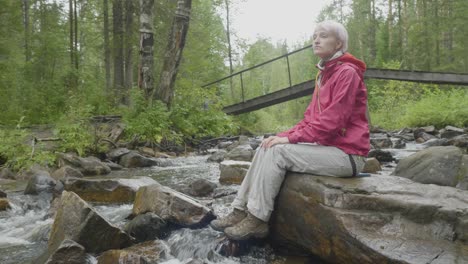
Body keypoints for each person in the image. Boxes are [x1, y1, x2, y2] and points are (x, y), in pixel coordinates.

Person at [210, 20, 370, 241]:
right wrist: (282, 136)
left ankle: (257, 219)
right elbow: (309, 120)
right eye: (314, 35)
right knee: (267, 146)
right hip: (330, 149)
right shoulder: (325, 74)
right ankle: (239, 210)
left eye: (323, 35)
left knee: (278, 152)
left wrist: (291, 140)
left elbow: (332, 122)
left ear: (339, 43)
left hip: (348, 155)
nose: (316, 39)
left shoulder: (347, 73)